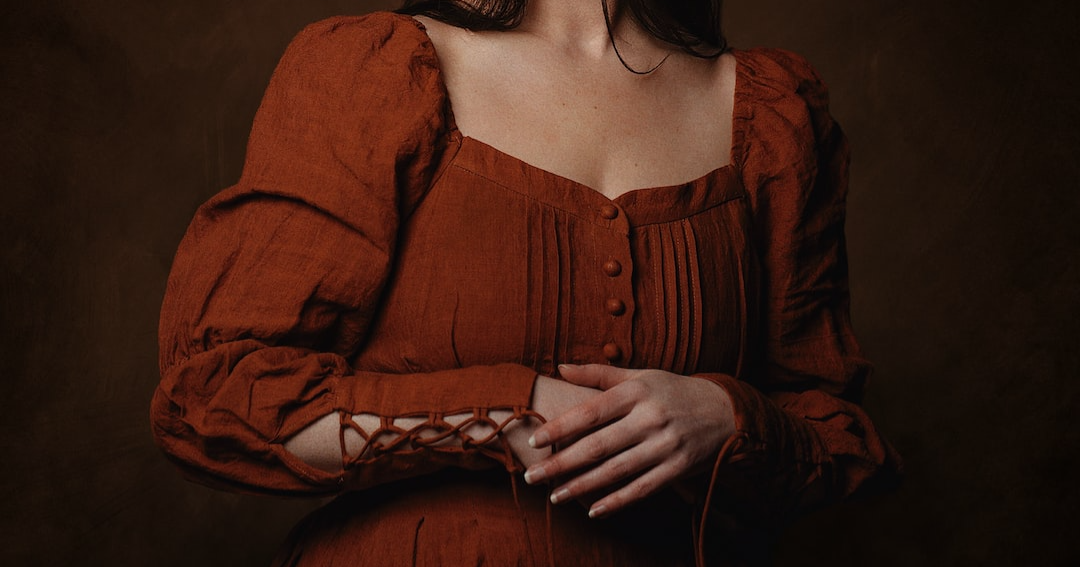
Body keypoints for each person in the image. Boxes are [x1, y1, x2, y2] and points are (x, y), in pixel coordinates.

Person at [150, 0, 901, 565]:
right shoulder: (373, 69)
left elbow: (838, 434)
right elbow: (216, 399)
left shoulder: (773, 113)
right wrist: (505, 413)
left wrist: (726, 416)